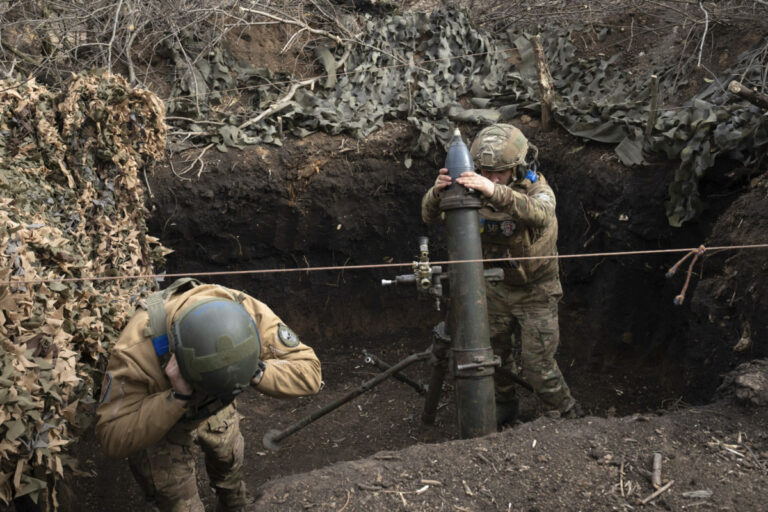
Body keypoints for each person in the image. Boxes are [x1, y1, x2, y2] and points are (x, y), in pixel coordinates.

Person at [95, 279, 322, 512]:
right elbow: (111, 436)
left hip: (217, 405)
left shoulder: (246, 312)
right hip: (162, 420)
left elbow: (310, 373)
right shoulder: (135, 350)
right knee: (177, 501)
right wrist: (177, 397)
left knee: (229, 466)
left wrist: (252, 369)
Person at [421, 123, 580, 425]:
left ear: (518, 167)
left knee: (538, 366)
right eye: (487, 171)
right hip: (493, 289)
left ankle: (568, 419)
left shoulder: (537, 188)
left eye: (502, 172)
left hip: (537, 290)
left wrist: (495, 191)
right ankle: (504, 410)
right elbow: (428, 214)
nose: (493, 178)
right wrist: (436, 192)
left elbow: (542, 214)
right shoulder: (472, 185)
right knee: (494, 359)